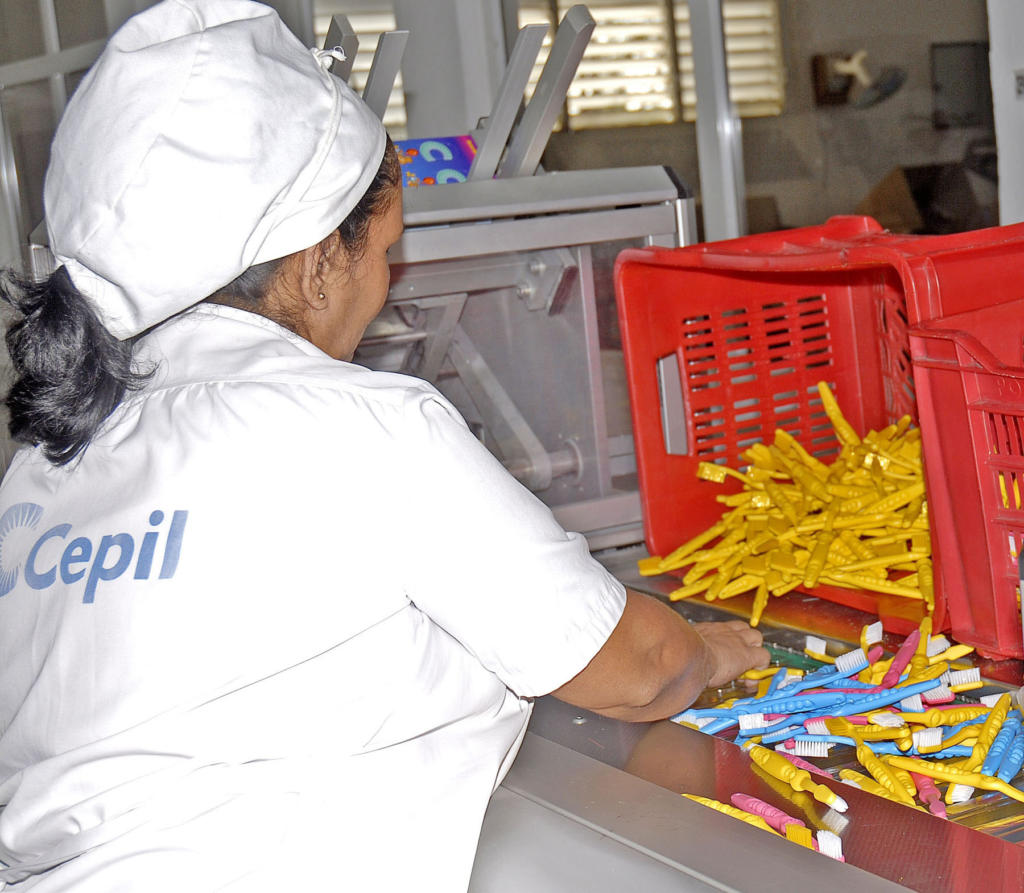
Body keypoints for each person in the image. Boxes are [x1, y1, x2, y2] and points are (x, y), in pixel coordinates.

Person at [0, 2, 768, 890]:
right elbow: (636, 671)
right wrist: (707, 653)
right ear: (317, 255)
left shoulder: (46, 466)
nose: (385, 286)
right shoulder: (358, 425)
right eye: (386, 251)